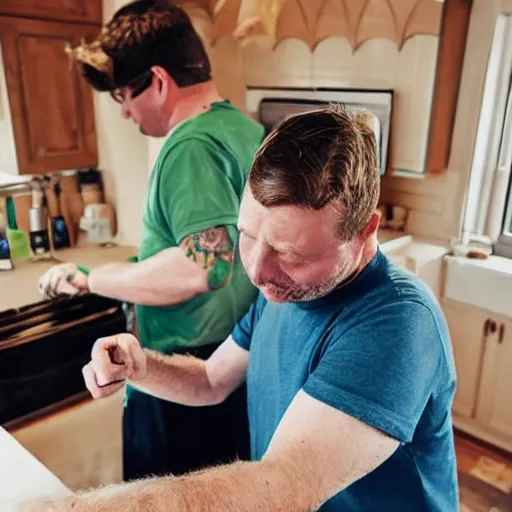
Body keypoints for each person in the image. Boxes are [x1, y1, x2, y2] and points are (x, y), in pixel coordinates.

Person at [31, 105, 458, 512]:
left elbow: (285, 485)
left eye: (292, 254)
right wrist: (142, 369)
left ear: (364, 232)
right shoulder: (285, 289)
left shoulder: (398, 322)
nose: (256, 269)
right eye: (248, 235)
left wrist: (77, 507)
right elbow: (211, 380)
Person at [37, 0, 264, 481]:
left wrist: (92, 277)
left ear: (158, 81)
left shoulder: (190, 144)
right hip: (236, 362)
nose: (123, 112)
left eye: (123, 95)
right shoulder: (243, 129)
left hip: (185, 378)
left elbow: (203, 267)